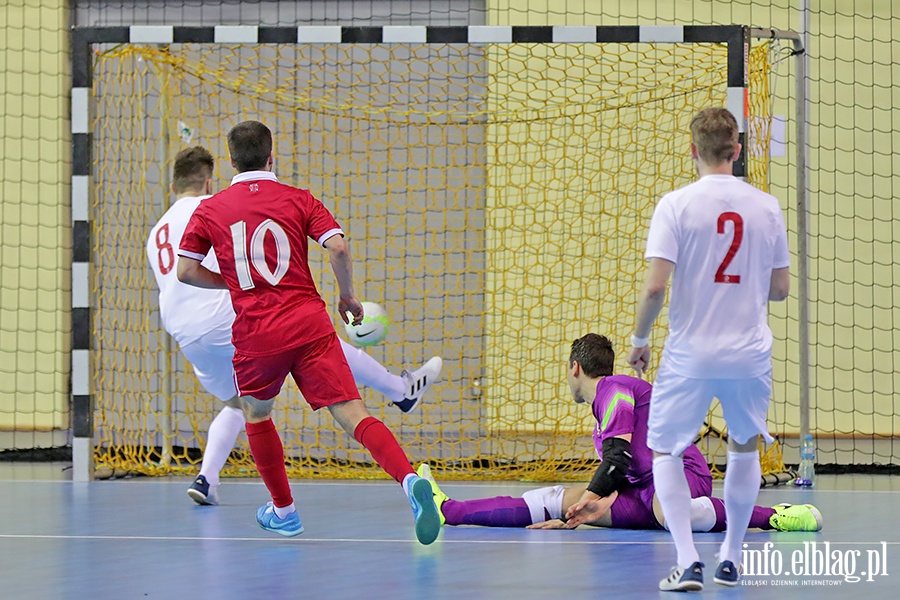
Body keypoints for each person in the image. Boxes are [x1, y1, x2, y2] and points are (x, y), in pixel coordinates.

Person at [175, 122, 440, 544]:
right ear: (271, 156)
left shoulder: (210, 209)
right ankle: (409, 481)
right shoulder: (300, 199)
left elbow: (185, 271)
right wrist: (347, 298)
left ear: (230, 162)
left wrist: (232, 279)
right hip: (309, 323)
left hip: (257, 331)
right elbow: (337, 247)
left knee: (257, 415)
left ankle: (285, 512)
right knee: (354, 413)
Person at [414, 334, 819, 538]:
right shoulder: (602, 410)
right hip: (641, 490)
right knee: (560, 501)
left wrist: (587, 505)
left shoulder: (615, 390)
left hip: (681, 475)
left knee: (667, 511)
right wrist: (578, 510)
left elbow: (617, 458)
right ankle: (450, 509)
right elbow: (618, 470)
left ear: (575, 368)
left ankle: (776, 517)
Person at [626, 107, 792, 590]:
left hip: (691, 355)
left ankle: (686, 560)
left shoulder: (675, 205)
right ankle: (732, 557)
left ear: (693, 150)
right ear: (736, 151)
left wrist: (639, 341)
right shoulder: (766, 206)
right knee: (743, 449)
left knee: (665, 450)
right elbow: (780, 290)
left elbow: (655, 288)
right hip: (748, 354)